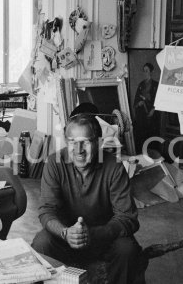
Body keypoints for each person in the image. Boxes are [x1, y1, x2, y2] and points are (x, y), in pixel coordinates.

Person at [32, 113, 142, 284]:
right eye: (72, 142)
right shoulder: (54, 163)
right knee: (42, 243)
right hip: (65, 239)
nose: (79, 150)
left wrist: (93, 234)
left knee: (126, 249)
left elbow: (128, 218)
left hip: (103, 240)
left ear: (98, 142)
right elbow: (47, 210)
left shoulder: (114, 167)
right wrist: (66, 232)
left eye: (86, 142)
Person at [133, 62, 159, 152]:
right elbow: (136, 99)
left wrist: (153, 110)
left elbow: (159, 100)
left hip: (153, 113)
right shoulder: (141, 84)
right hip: (142, 113)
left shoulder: (156, 85)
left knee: (152, 134)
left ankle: (153, 153)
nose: (145, 73)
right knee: (141, 134)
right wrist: (139, 103)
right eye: (144, 71)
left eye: (147, 71)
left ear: (151, 72)